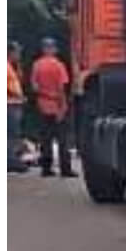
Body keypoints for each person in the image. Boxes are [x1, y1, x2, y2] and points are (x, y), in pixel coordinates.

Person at [30, 38, 73, 178]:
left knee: (46, 139)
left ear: (43, 49)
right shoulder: (59, 65)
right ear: (54, 49)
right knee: (62, 139)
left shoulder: (37, 65)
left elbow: (34, 87)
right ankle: (65, 169)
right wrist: (62, 106)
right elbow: (61, 88)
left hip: (43, 105)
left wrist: (44, 94)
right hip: (57, 105)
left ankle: (46, 168)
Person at [7, 42, 28, 174]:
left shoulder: (12, 66)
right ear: (10, 52)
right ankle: (10, 161)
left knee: (14, 133)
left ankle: (12, 159)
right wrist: (16, 95)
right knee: (11, 134)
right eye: (17, 52)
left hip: (14, 103)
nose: (19, 55)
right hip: (9, 104)